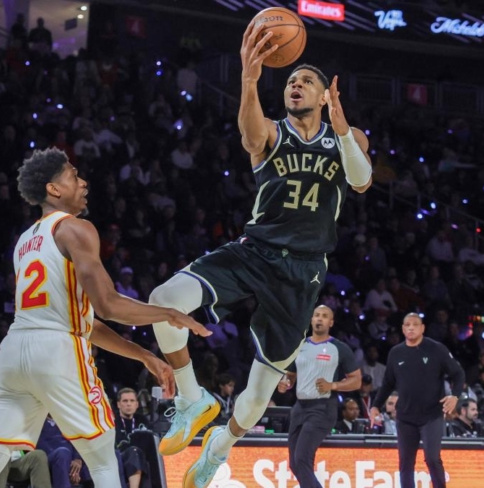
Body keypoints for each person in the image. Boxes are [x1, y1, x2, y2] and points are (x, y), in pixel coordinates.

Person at [148, 21, 372, 488]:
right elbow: (251, 139)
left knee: (258, 394)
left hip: (303, 272)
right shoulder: (272, 132)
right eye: (291, 80)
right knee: (161, 298)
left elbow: (361, 180)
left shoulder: (347, 139)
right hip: (254, 252)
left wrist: (342, 126)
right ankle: (192, 399)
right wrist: (249, 81)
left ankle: (219, 448)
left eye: (306, 81)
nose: (295, 85)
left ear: (325, 95)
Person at [0, 148, 205, 488]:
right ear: (53, 189)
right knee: (102, 460)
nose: (83, 182)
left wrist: (145, 355)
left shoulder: (24, 242)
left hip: (13, 353)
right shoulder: (76, 229)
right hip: (55, 350)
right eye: (73, 176)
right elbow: (108, 305)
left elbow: (84, 321)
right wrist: (168, 312)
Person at [370, 313, 464, 488]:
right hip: (405, 416)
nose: (411, 328)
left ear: (422, 328)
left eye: (415, 325)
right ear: (403, 328)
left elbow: (458, 374)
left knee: (432, 458)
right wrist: (375, 405)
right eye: (407, 325)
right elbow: (388, 383)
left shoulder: (436, 349)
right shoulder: (396, 352)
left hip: (431, 414)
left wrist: (455, 395)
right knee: (405, 462)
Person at [277, 305, 361, 488]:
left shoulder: (339, 348)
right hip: (299, 407)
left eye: (324, 316)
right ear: (311, 319)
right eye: (316, 315)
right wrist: (285, 383)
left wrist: (333, 385)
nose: (319, 319)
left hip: (323, 408)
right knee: (294, 464)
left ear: (331, 322)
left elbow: (356, 380)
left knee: (302, 460)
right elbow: (290, 375)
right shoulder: (300, 346)